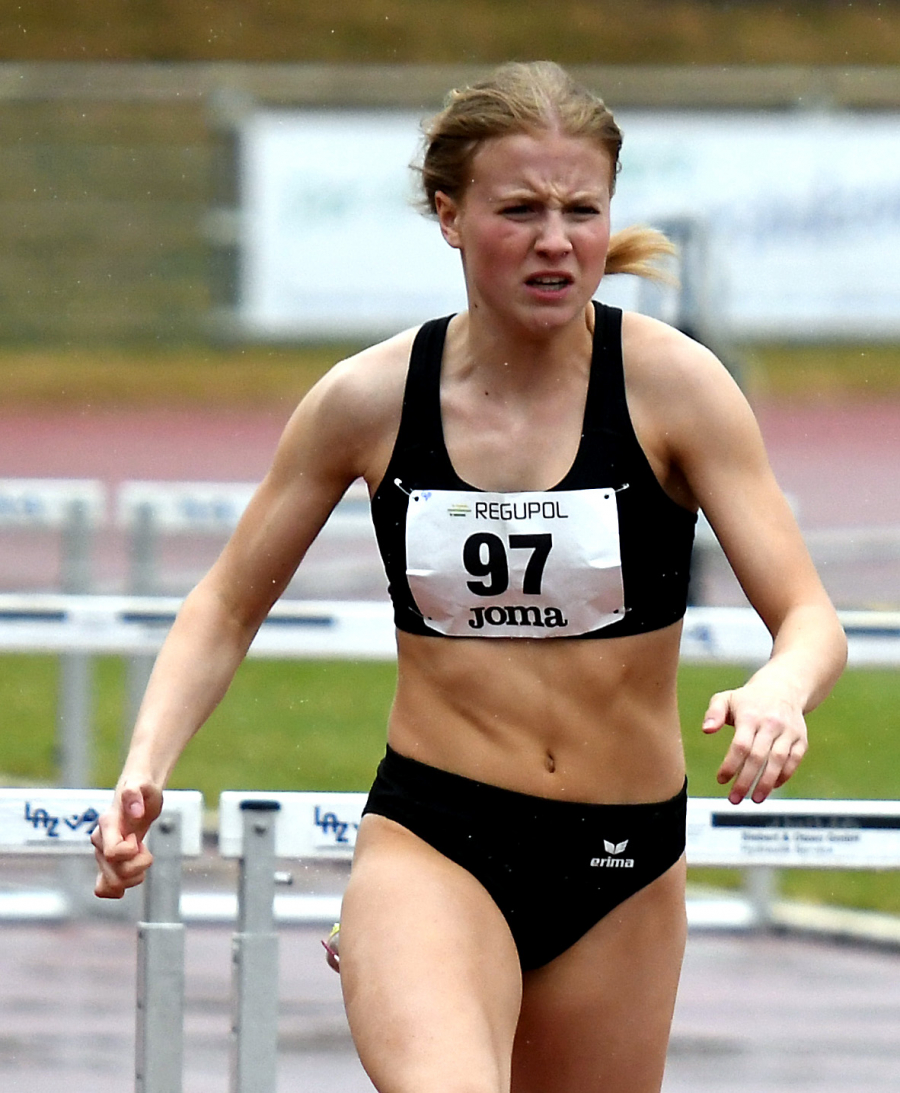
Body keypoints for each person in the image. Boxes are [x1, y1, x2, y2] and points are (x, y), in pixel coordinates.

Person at [92, 61, 847, 1093]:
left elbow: (809, 614)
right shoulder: (367, 400)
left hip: (622, 860)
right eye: (520, 209)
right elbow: (225, 604)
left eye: (582, 209)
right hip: (436, 840)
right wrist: (146, 763)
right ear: (448, 215)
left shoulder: (675, 387)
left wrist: (780, 688)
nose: (556, 238)